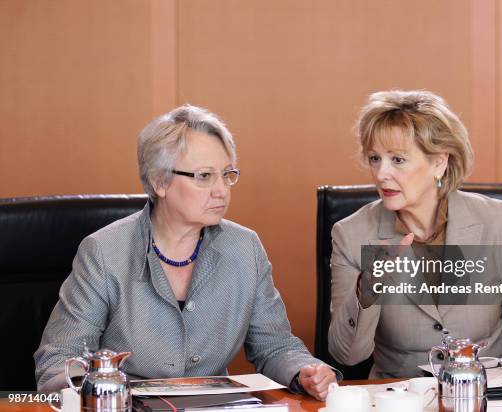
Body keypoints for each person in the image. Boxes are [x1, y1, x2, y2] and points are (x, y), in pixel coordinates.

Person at [35, 104, 337, 399]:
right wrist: (102, 388)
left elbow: (275, 346)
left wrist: (305, 371)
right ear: (159, 182)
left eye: (227, 174)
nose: (222, 190)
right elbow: (56, 365)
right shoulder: (104, 252)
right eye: (204, 176)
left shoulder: (244, 248)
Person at [328, 90, 502, 378]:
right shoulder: (351, 233)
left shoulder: (499, 222)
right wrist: (367, 290)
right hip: (400, 398)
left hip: (486, 395)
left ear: (439, 162)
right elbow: (346, 355)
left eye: (397, 160)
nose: (381, 173)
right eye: (375, 158)